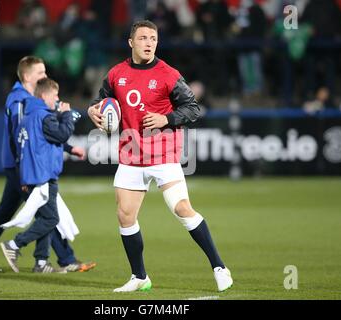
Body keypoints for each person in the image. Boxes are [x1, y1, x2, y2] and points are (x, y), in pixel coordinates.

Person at [87, 20, 233, 292]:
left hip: (164, 154)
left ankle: (219, 266)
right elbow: (101, 102)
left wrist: (166, 118)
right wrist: (92, 111)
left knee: (182, 209)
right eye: (142, 38)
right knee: (125, 216)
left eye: (153, 38)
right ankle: (139, 277)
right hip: (131, 155)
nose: (149, 43)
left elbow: (192, 109)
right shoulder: (116, 74)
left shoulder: (168, 74)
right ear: (131, 42)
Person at [0, 56, 96, 273]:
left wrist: (69, 148)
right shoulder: (20, 101)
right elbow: (23, 138)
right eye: (40, 73)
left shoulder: (32, 100)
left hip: (23, 165)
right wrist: (23, 171)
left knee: (7, 212)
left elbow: (42, 136)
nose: (44, 76)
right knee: (48, 213)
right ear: (27, 76)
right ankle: (62, 260)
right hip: (24, 166)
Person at [0, 77, 73, 272]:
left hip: (32, 175)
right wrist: (66, 115)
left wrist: (24, 178)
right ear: (45, 95)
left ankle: (41, 262)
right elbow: (62, 134)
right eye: (55, 94)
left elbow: (22, 149)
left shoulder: (28, 117)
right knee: (51, 219)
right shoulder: (43, 116)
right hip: (43, 176)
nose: (57, 98)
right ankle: (14, 245)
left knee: (45, 218)